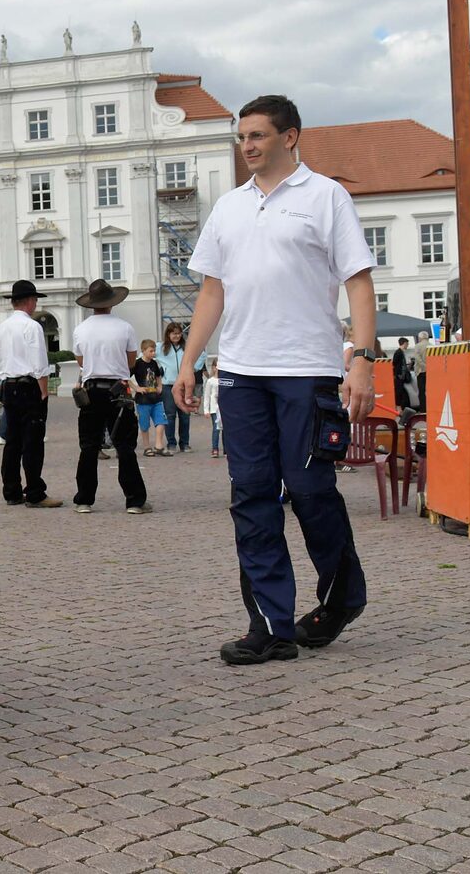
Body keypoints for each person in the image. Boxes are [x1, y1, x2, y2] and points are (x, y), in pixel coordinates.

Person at [173, 94, 375, 666]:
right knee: (252, 496)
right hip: (241, 371)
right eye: (242, 138)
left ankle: (342, 597)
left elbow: (358, 283)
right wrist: (190, 361)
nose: (247, 146)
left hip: (307, 369)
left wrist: (361, 359)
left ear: (290, 137)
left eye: (257, 136)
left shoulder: (325, 196)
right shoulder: (229, 207)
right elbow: (212, 291)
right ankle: (270, 625)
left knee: (310, 490)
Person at [69, 278, 147, 514]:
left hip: (91, 390)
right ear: (112, 302)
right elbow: (131, 361)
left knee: (89, 445)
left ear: (92, 304)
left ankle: (84, 499)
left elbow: (81, 361)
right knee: (125, 446)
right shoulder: (124, 327)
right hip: (118, 389)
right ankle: (134, 500)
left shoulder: (81, 329)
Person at [0, 281, 60, 507]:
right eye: (35, 300)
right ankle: (35, 492)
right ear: (29, 301)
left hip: (9, 384)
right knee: (33, 441)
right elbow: (39, 361)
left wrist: (3, 381)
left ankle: (11, 491)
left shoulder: (2, 327)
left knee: (12, 440)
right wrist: (43, 391)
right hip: (29, 385)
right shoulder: (32, 327)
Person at [158, 322, 204, 453]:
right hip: (168, 386)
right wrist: (158, 371)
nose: (177, 336)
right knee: (170, 415)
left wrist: (193, 368)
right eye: (174, 333)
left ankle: (184, 443)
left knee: (185, 414)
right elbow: (145, 355)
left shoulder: (187, 347)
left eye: (179, 333)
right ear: (168, 334)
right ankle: (171, 443)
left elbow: (202, 355)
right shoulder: (160, 347)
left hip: (184, 385)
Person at [132, 340, 168, 456]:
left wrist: (160, 386)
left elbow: (158, 376)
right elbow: (125, 377)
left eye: (154, 351)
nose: (153, 353)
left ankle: (159, 445)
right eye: (150, 351)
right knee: (144, 424)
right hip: (143, 400)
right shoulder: (137, 364)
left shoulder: (154, 363)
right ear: (143, 351)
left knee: (161, 421)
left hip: (156, 398)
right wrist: (136, 388)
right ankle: (147, 447)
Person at [203, 356, 223, 458]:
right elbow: (207, 396)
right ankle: (215, 449)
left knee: (225, 429)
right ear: (214, 367)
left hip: (224, 408)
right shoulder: (211, 381)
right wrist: (206, 409)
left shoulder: (224, 380)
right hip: (214, 408)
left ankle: (226, 450)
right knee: (216, 428)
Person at [391, 337, 414, 412]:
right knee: (399, 392)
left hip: (399, 376)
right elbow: (395, 363)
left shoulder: (399, 352)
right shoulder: (399, 352)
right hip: (399, 376)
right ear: (404, 343)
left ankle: (400, 407)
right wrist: (399, 374)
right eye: (407, 344)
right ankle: (398, 407)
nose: (407, 345)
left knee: (400, 392)